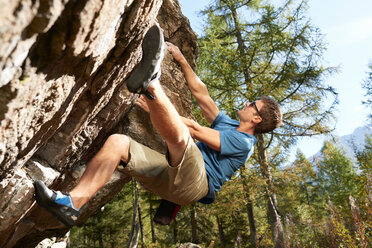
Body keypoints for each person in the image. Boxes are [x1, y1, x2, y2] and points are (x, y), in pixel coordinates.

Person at [34, 24, 282, 226]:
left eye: (253, 104)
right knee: (118, 144)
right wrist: (181, 59)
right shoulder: (227, 123)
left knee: (185, 139)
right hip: (169, 179)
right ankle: (72, 204)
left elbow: (194, 130)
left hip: (195, 185)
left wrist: (155, 102)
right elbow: (203, 96)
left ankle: (151, 84)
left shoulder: (244, 143)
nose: (248, 103)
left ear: (257, 118)